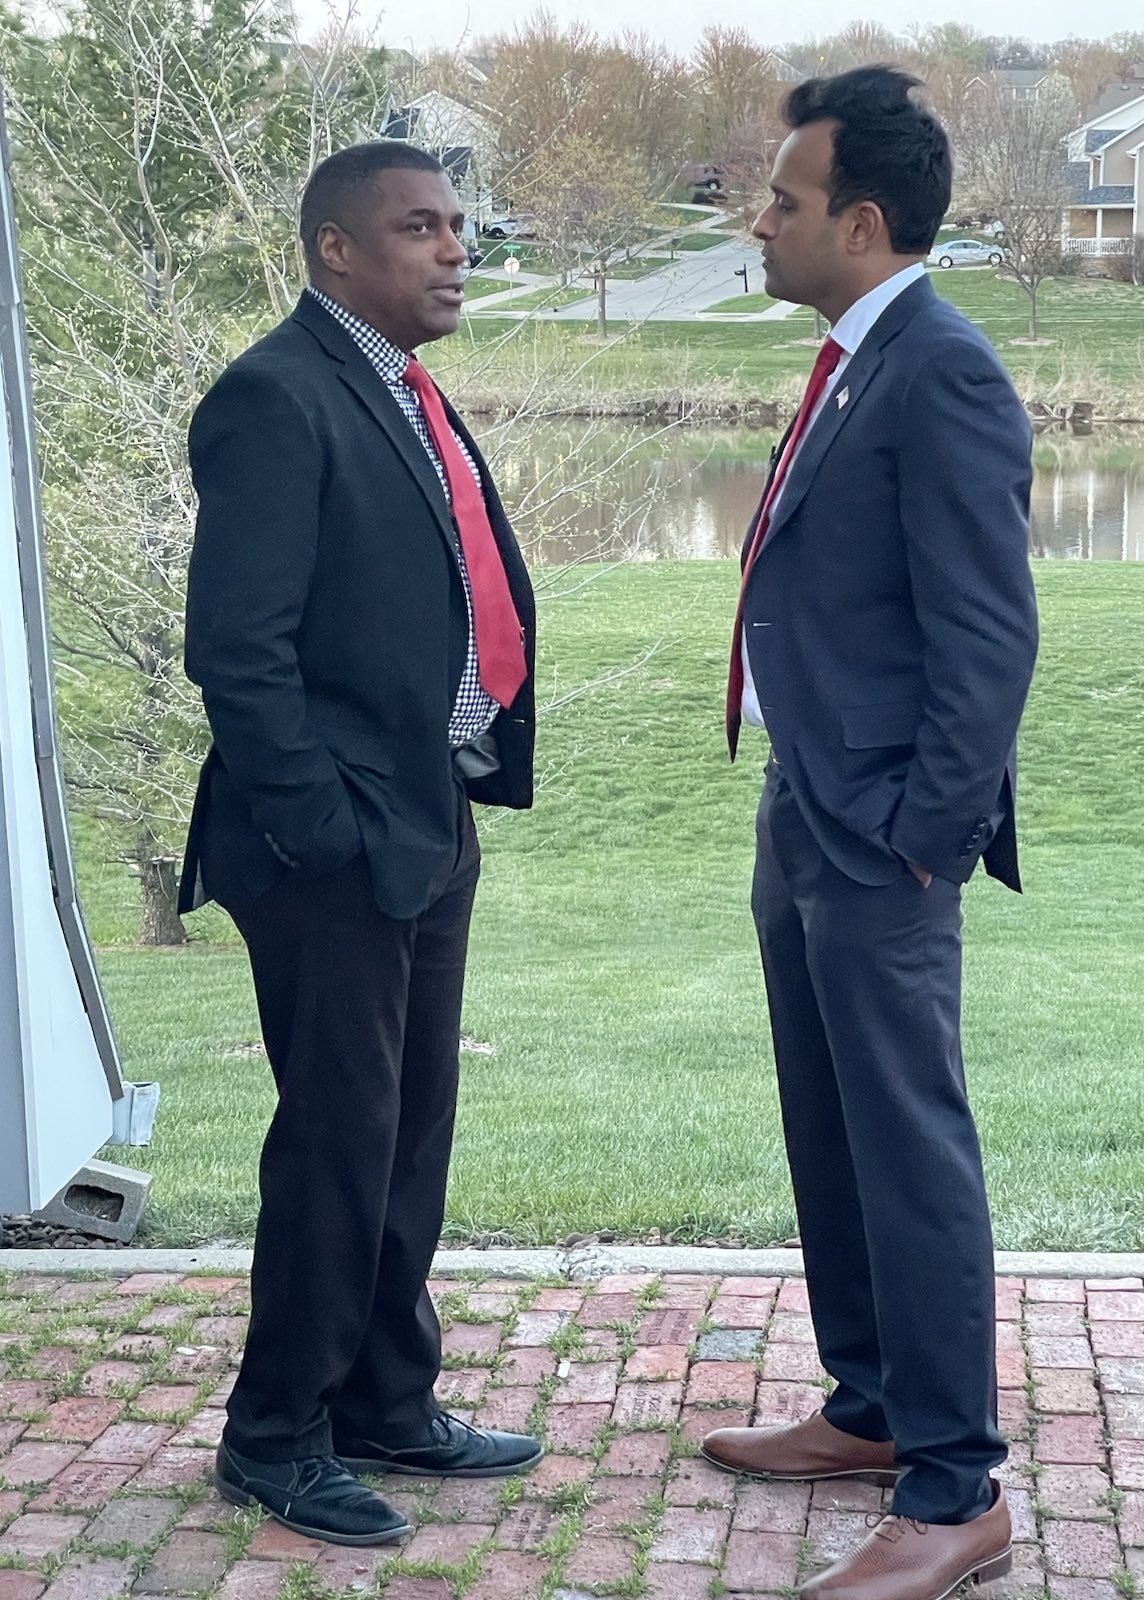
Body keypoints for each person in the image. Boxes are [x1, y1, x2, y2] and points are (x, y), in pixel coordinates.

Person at [702, 67, 1039, 1600]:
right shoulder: (856, 360)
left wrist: (924, 834)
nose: (759, 221)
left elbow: (989, 635)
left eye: (784, 199)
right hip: (810, 805)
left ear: (863, 220)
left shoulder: (940, 368)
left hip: (882, 831)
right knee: (829, 1127)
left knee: (907, 1146)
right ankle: (872, 1405)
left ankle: (956, 1490)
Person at [179, 142, 541, 1547]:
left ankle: (389, 1397)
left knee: (407, 1128)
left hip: (428, 818)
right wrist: (320, 826)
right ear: (337, 248)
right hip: (330, 845)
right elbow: (239, 650)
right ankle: (274, 1434)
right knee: (338, 1142)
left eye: (459, 226)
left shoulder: (400, 389)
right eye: (421, 228)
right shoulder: (276, 397)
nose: (456, 251)